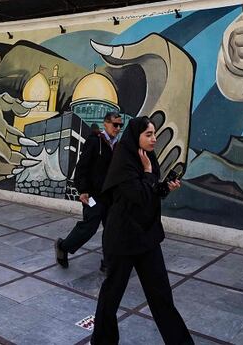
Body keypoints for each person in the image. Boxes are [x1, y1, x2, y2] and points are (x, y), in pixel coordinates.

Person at [92, 116, 191, 345]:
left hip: (146, 237)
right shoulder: (124, 161)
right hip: (122, 240)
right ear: (135, 136)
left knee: (162, 297)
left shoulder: (148, 158)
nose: (154, 138)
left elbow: (151, 193)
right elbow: (137, 195)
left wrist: (165, 187)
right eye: (148, 134)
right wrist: (147, 173)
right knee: (111, 297)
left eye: (154, 134)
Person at [56, 113, 122, 272]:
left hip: (111, 196)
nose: (118, 128)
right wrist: (83, 190)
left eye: (120, 125)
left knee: (112, 229)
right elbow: (82, 167)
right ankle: (63, 246)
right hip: (94, 195)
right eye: (115, 124)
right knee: (89, 227)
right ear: (106, 124)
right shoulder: (95, 141)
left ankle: (108, 262)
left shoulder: (118, 146)